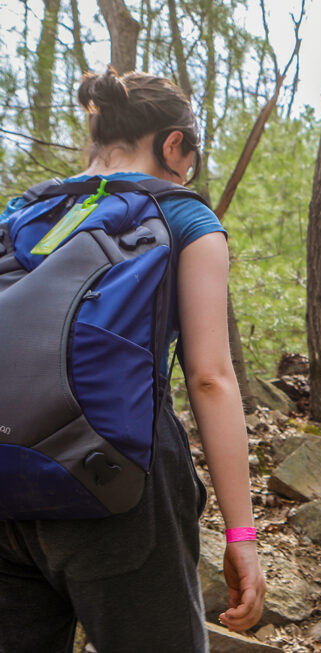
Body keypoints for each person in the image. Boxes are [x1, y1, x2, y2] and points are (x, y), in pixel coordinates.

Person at [0, 70, 265, 651]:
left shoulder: (22, 212)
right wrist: (241, 533)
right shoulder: (184, 217)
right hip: (117, 488)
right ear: (173, 145)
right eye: (190, 157)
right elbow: (210, 378)